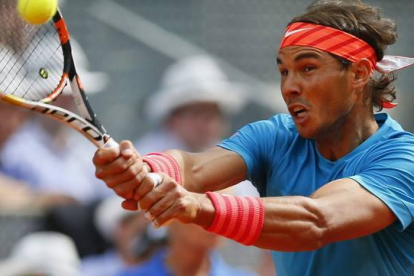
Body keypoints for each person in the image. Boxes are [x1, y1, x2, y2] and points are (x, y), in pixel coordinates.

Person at [92, 1, 414, 276]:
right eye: (284, 72)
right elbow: (194, 169)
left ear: (358, 74)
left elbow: (317, 220)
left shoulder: (403, 160)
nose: (289, 87)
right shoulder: (274, 136)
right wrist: (144, 169)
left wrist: (197, 205)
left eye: (307, 68)